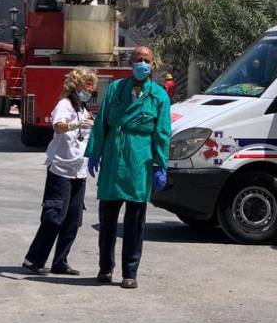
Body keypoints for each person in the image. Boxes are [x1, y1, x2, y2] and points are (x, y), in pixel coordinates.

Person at [85, 45, 171, 289]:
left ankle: (130, 272)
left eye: (146, 60)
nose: (142, 63)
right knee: (108, 218)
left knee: (135, 220)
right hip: (115, 154)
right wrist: (94, 151)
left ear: (153, 65)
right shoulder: (115, 89)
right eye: (137, 59)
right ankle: (105, 268)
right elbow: (101, 121)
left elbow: (163, 132)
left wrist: (160, 164)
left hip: (140, 158)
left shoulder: (159, 95)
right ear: (130, 62)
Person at [22, 68, 97, 275]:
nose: (90, 89)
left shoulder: (83, 108)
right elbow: (58, 126)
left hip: (78, 170)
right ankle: (34, 259)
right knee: (54, 216)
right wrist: (77, 124)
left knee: (73, 219)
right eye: (87, 84)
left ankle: (60, 261)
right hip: (61, 169)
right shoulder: (65, 105)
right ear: (76, 85)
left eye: (92, 85)